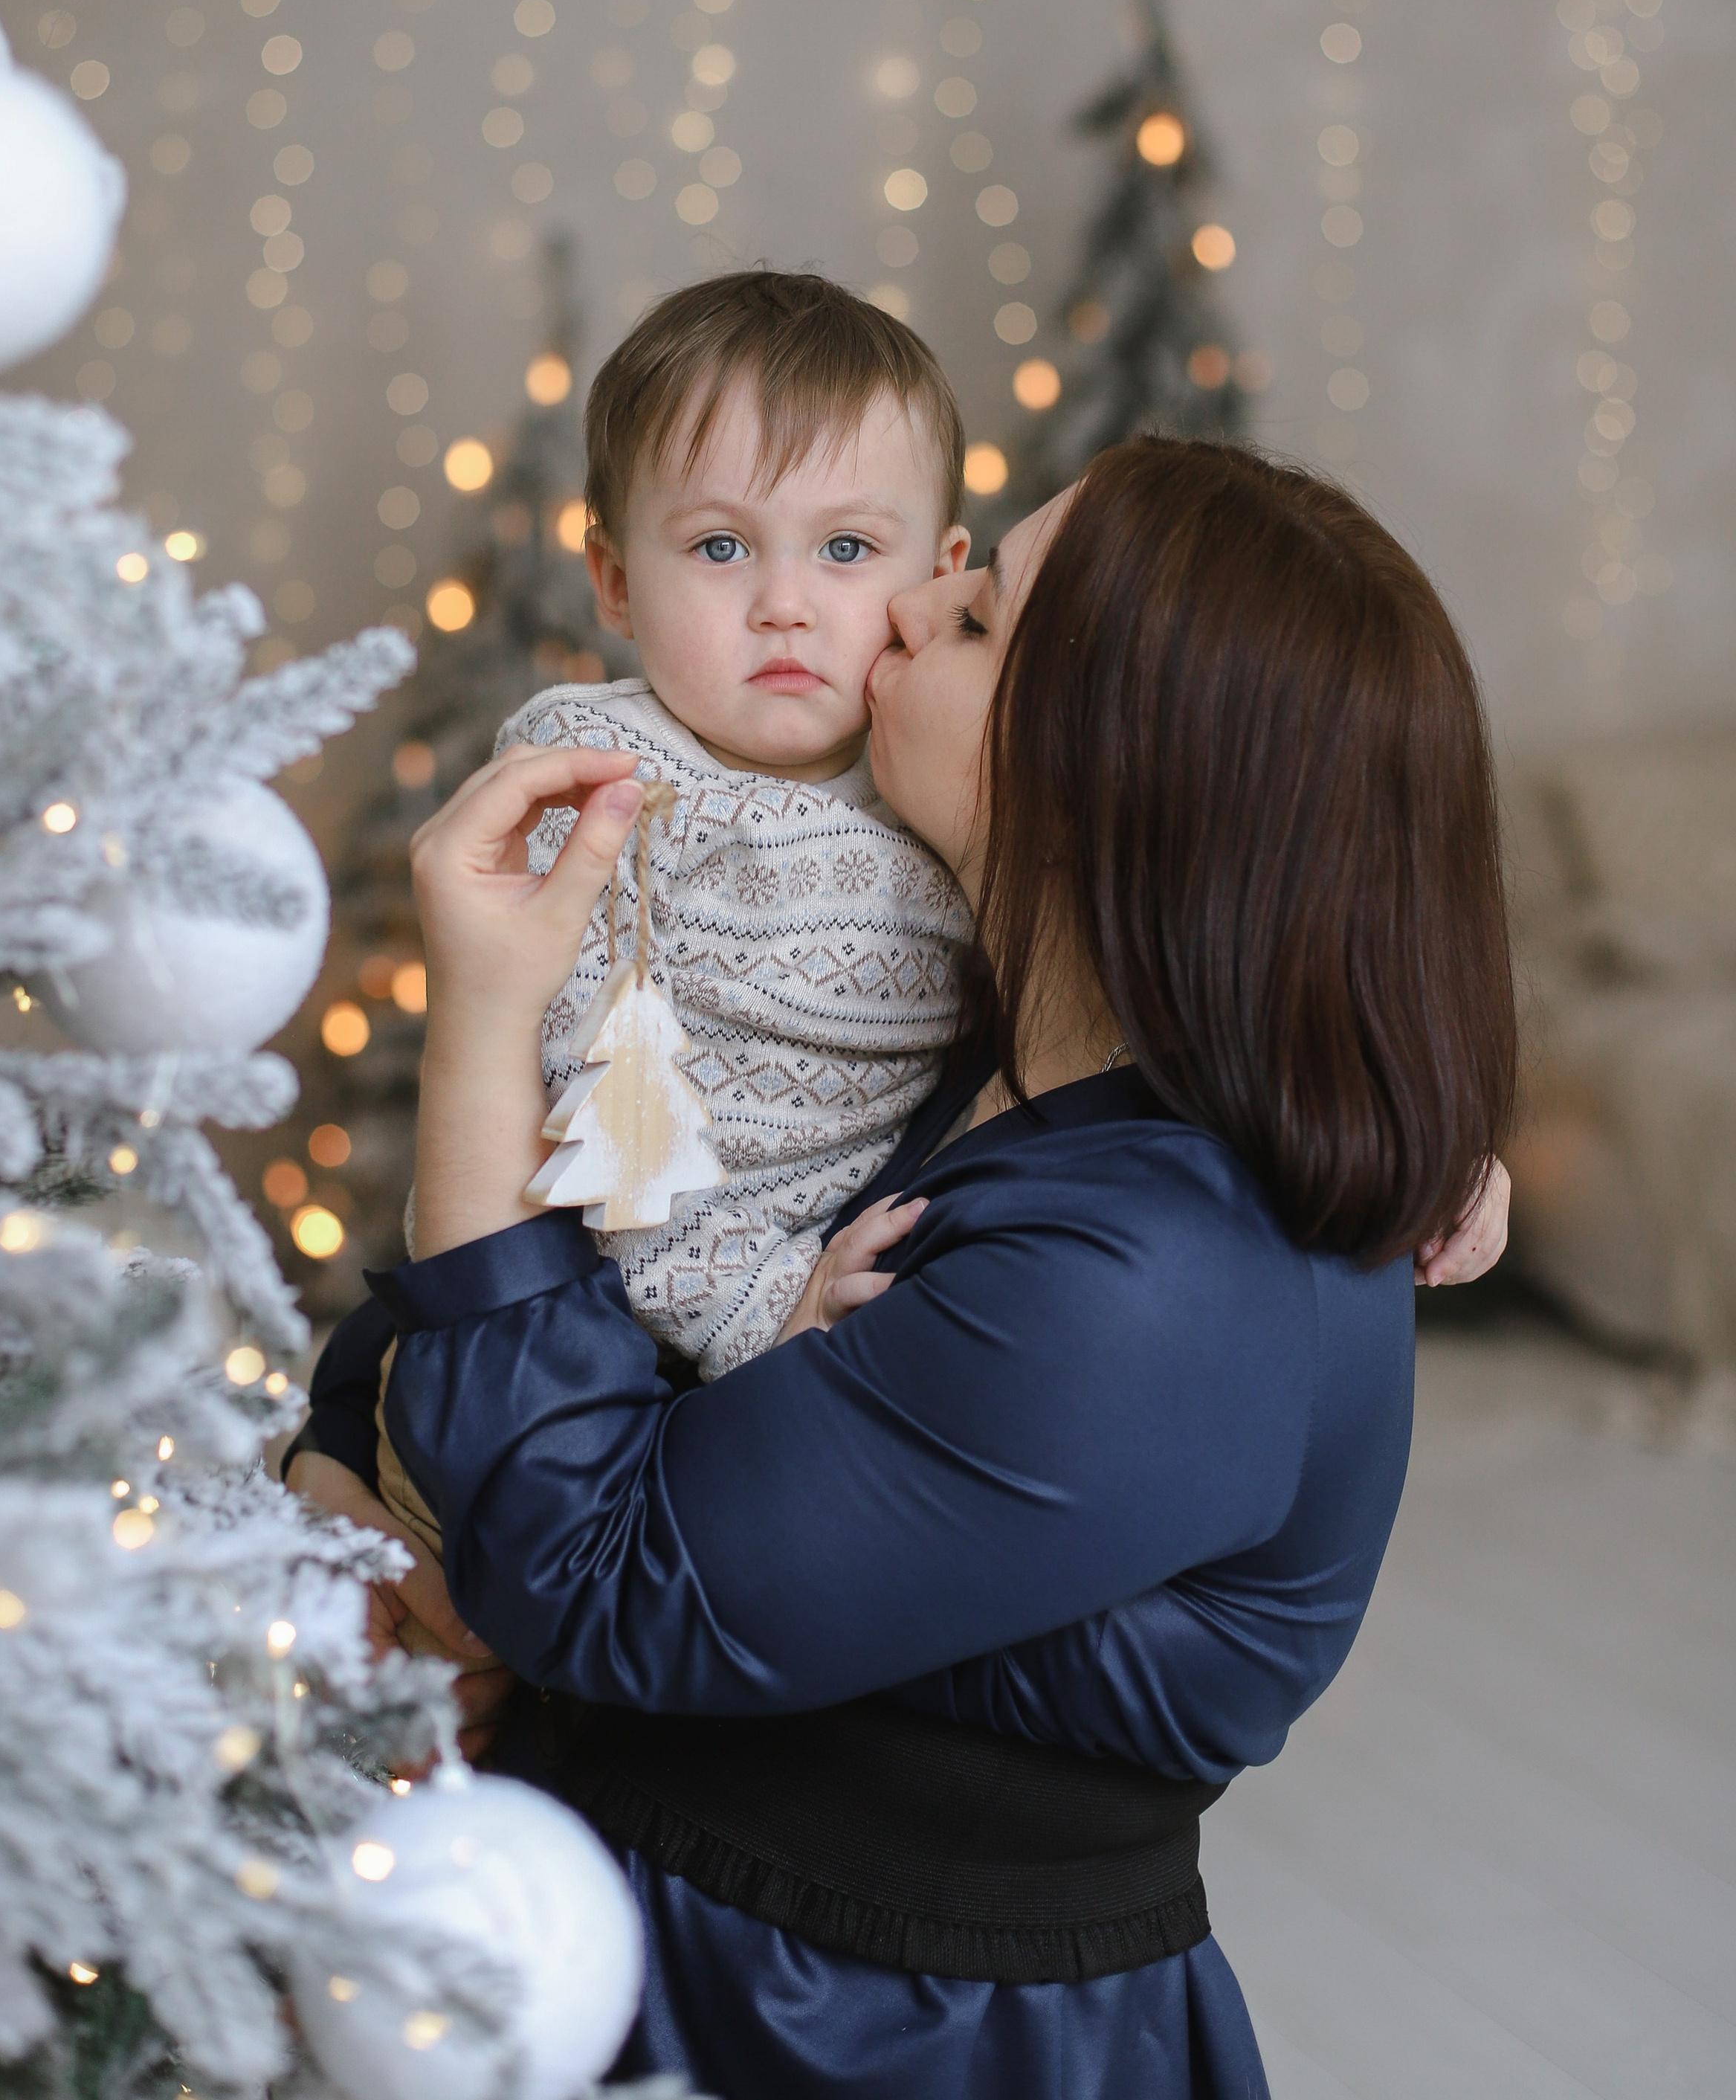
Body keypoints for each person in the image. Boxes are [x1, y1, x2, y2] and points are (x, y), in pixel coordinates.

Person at [290, 435, 1514, 2098]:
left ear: (1100, 775)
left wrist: (488, 1022)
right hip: (642, 1914)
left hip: (855, 2025)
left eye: (980, 614)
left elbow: (587, 1571)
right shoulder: (967, 1052)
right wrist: (343, 1445)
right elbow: (621, 1288)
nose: (915, 600)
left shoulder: (1151, 1281)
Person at [372, 272, 978, 1556]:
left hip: (813, 1319)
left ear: (941, 574)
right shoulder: (600, 785)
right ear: (613, 579)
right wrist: (764, 1304)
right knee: (463, 1591)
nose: (783, 602)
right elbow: (588, 1126)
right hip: (576, 1325)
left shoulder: (957, 771)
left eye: (847, 549)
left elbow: (1150, 958)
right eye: (719, 547)